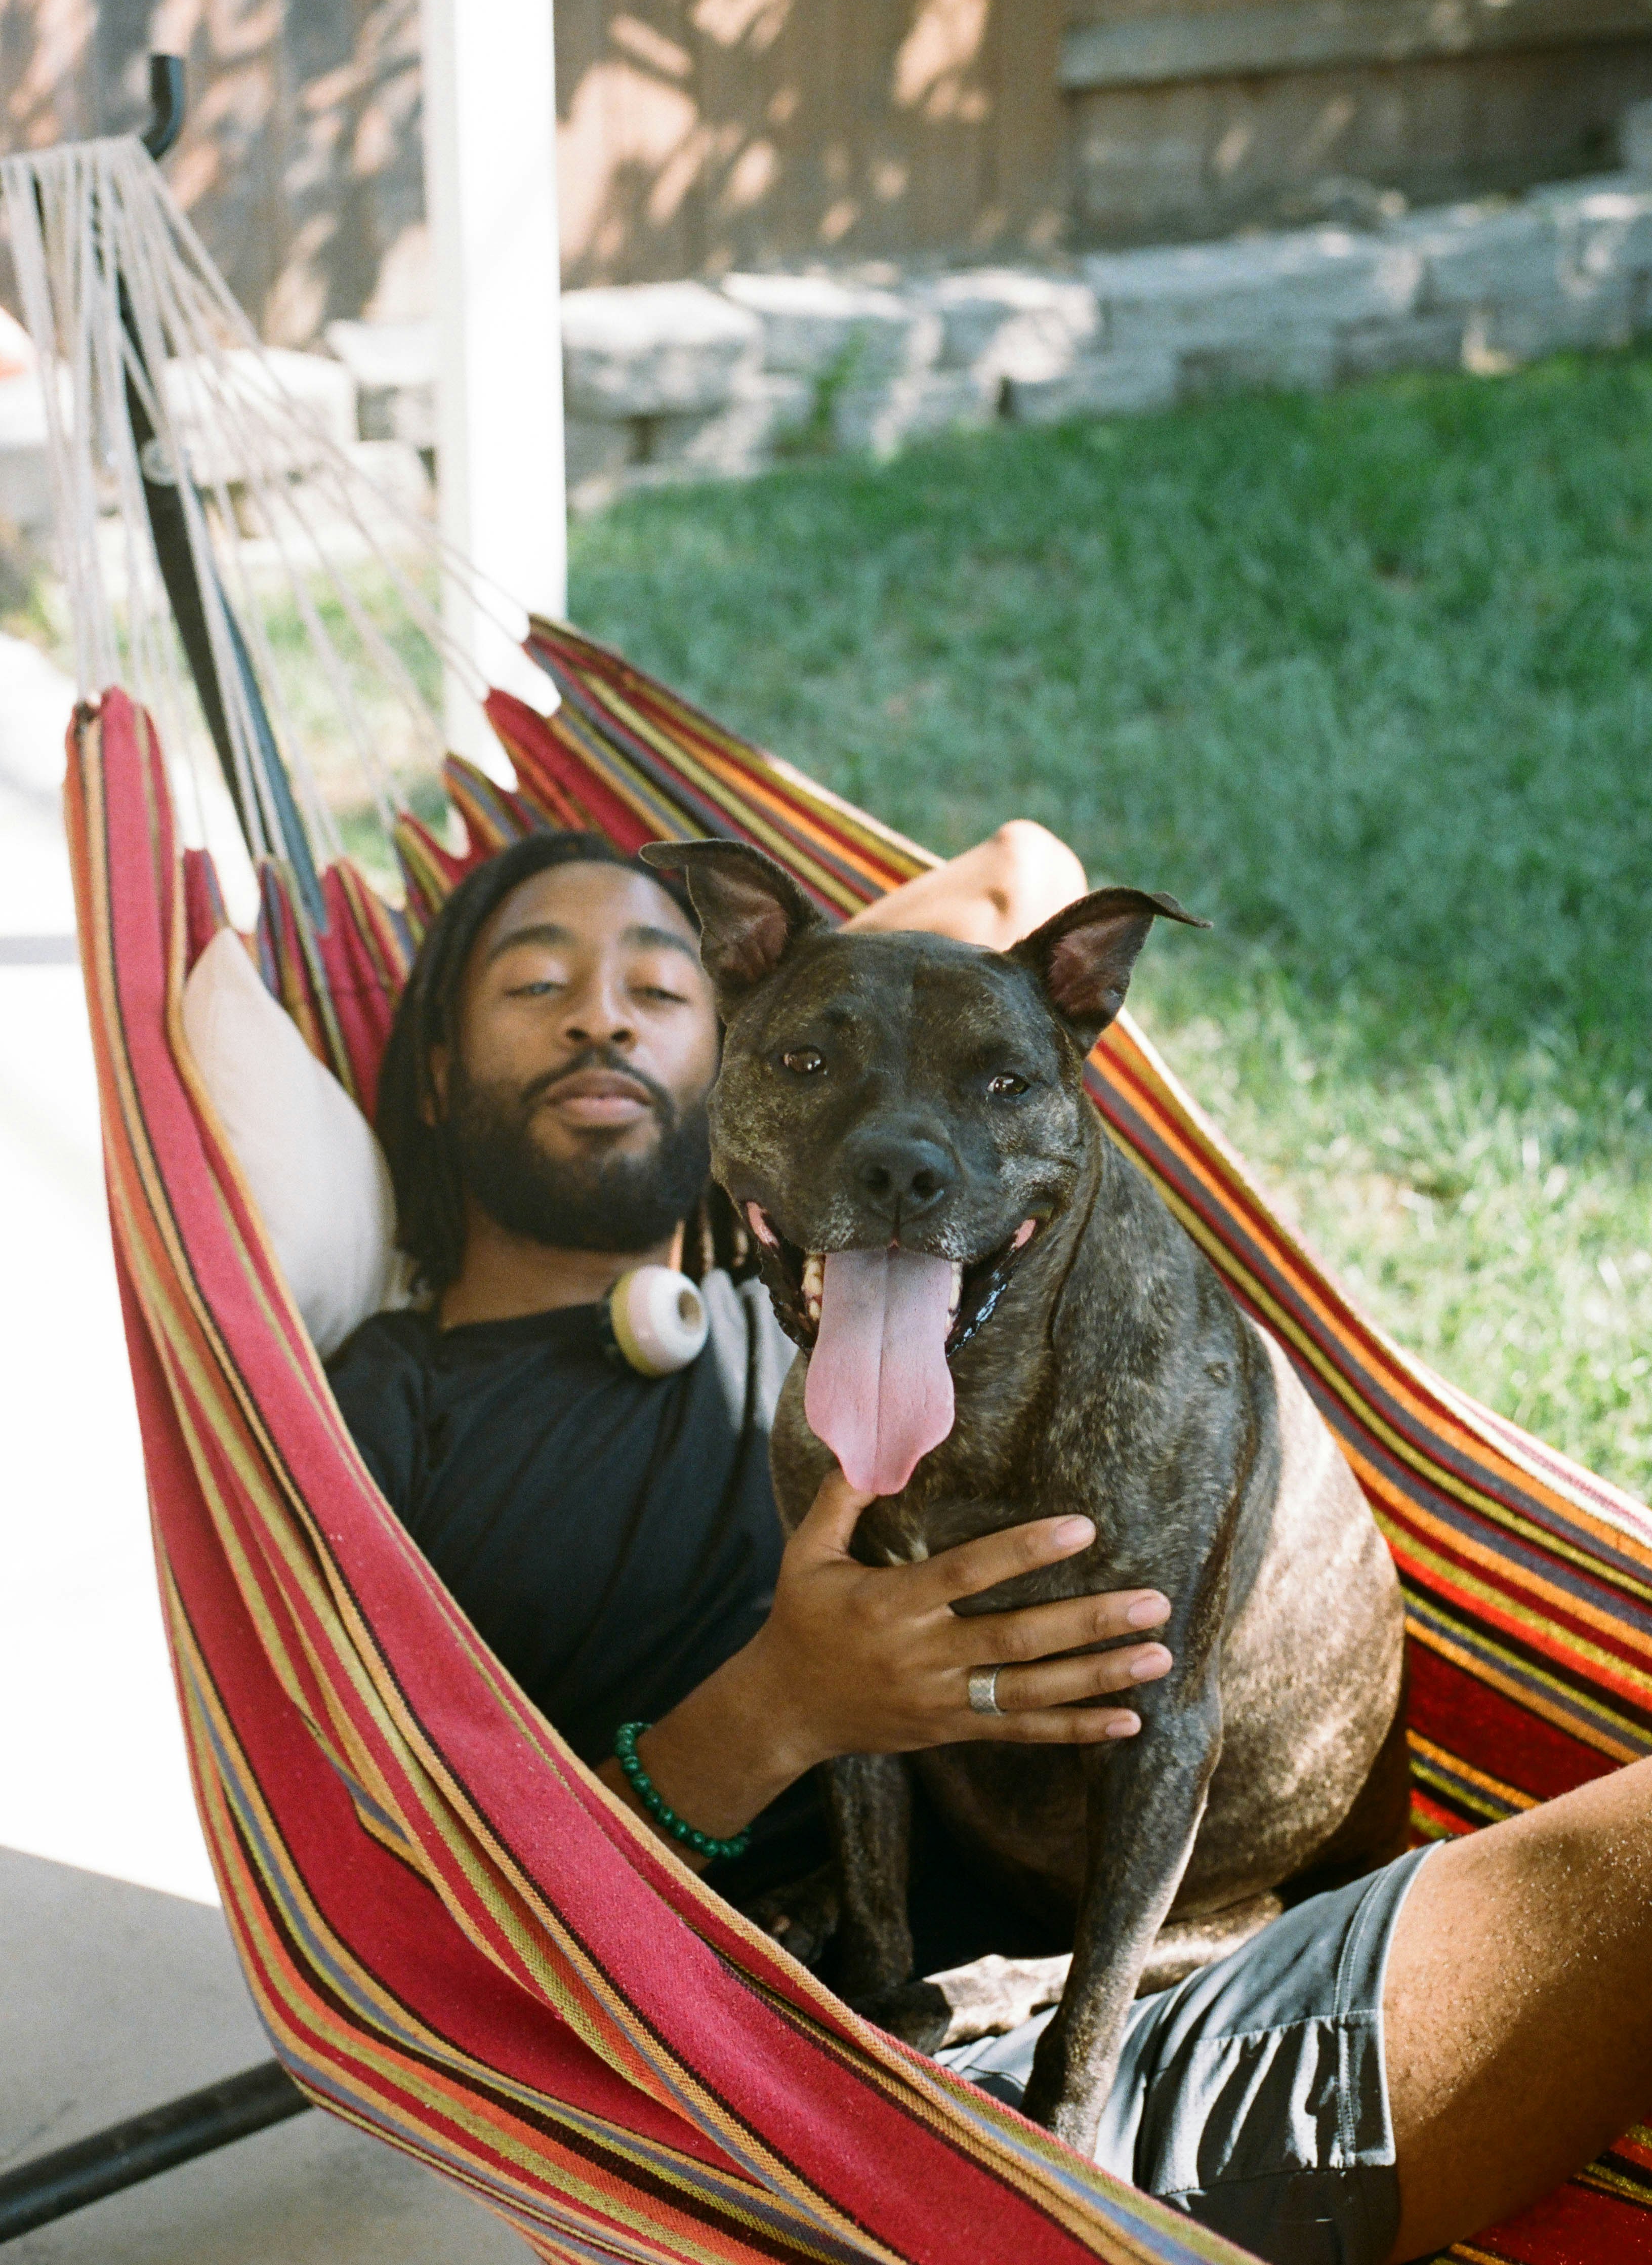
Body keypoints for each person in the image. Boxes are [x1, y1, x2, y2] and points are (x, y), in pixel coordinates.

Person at [329, 823, 1652, 2265]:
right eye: (538, 985)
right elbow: (411, 1912)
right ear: (441, 1075)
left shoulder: (817, 1282)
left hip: (1140, 1942)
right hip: (876, 2113)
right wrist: (783, 1706)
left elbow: (1020, 872)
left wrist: (833, 1023)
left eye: (663, 988)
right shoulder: (387, 1399)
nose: (604, 1010)